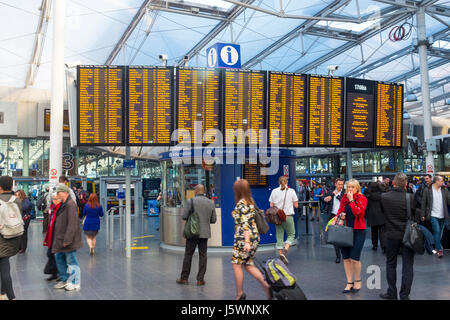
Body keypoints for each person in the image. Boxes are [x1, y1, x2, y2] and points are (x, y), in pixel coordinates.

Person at [231, 179, 271, 300]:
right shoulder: (250, 201)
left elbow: (245, 225)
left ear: (238, 190)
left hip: (243, 239)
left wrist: (247, 242)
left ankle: (240, 294)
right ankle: (267, 286)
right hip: (255, 237)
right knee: (248, 264)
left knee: (236, 265)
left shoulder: (241, 204)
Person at [379, 173, 417, 300]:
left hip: (391, 234)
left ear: (393, 183)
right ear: (406, 184)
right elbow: (412, 214)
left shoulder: (384, 197)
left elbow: (383, 213)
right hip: (407, 235)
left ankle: (392, 292)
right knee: (408, 265)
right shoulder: (410, 197)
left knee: (390, 263)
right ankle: (404, 295)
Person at [176, 185, 216, 286]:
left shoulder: (191, 201)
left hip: (192, 233)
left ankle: (184, 278)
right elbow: (213, 220)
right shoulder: (210, 202)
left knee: (188, 255)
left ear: (196, 191)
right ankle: (200, 279)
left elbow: (184, 216)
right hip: (204, 233)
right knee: (203, 255)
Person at [336, 179, 367, 294]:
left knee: (355, 258)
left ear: (357, 188)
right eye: (348, 187)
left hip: (359, 231)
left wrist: (352, 200)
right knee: (347, 258)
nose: (350, 189)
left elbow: (359, 213)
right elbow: (339, 211)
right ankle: (349, 282)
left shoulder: (362, 198)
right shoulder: (344, 198)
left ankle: (357, 280)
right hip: (345, 231)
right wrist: (341, 215)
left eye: (352, 187)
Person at [52, 184, 82, 291]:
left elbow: (72, 224)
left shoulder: (70, 205)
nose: (57, 195)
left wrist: (68, 239)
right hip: (61, 238)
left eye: (58, 192)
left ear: (64, 193)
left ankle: (75, 282)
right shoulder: (64, 204)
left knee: (71, 261)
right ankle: (65, 279)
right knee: (59, 257)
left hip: (68, 240)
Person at [0, 176, 23, 300]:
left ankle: (11, 296)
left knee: (4, 269)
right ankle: (2, 293)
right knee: (5, 262)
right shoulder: (17, 200)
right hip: (14, 237)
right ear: (12, 186)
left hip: (1, 237)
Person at [269, 176, 298, 265]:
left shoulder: (274, 191)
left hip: (277, 217)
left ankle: (281, 254)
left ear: (279, 182)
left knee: (279, 235)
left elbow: (271, 205)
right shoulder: (291, 191)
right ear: (287, 182)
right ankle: (285, 251)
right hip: (288, 216)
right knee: (291, 234)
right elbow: (296, 205)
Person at [421, 175, 450, 258]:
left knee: (439, 233)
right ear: (436, 181)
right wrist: (423, 214)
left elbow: (449, 200)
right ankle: (439, 249)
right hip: (433, 214)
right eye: (441, 181)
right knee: (436, 231)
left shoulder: (444, 190)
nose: (443, 182)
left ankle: (432, 245)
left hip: (443, 215)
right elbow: (423, 203)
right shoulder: (428, 190)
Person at [323, 178, 345, 263]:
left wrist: (337, 196)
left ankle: (344, 252)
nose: (340, 186)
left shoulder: (345, 193)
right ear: (335, 184)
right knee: (335, 237)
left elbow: (345, 202)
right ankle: (338, 256)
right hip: (333, 216)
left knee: (343, 236)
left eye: (342, 184)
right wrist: (325, 199)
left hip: (342, 216)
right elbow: (323, 198)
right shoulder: (330, 192)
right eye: (339, 184)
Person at [43, 193, 61, 281]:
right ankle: (53, 272)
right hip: (51, 234)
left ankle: (60, 273)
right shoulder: (53, 208)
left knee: (58, 255)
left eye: (56, 199)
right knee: (50, 254)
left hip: (58, 235)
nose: (54, 201)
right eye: (53, 199)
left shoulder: (61, 209)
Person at [365, 182, 386, 253]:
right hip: (381, 215)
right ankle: (384, 246)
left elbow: (366, 206)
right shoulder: (382, 195)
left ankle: (375, 245)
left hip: (372, 215)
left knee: (373, 231)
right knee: (382, 232)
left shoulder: (368, 196)